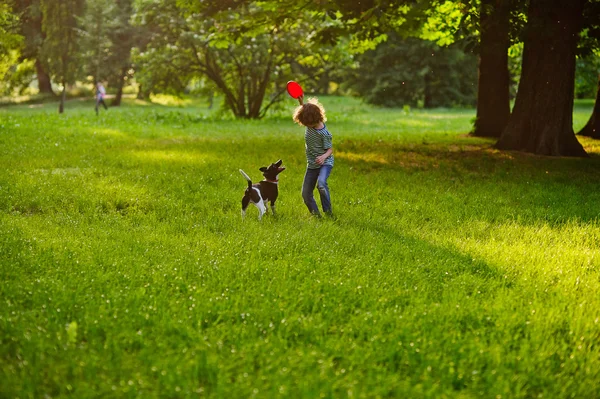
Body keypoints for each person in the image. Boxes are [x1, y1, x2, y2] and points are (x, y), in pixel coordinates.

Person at [293, 96, 334, 217]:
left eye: (309, 124)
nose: (307, 126)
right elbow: (306, 110)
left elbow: (330, 150)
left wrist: (323, 157)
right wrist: (301, 102)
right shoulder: (309, 120)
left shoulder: (324, 133)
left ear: (315, 119)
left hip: (325, 162)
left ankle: (328, 212)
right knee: (306, 194)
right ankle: (316, 215)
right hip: (312, 164)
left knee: (321, 184)